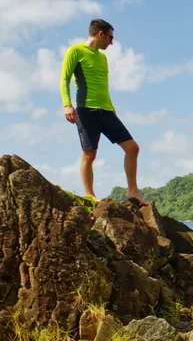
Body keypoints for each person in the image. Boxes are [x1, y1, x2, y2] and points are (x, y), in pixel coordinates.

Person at [61, 19, 148, 206]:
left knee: (133, 148)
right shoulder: (75, 51)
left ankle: (132, 191)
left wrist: (112, 108)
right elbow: (64, 79)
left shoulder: (102, 58)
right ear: (100, 33)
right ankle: (90, 196)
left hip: (107, 111)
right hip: (86, 110)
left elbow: (104, 87)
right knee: (89, 154)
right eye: (110, 37)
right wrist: (67, 105)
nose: (111, 42)